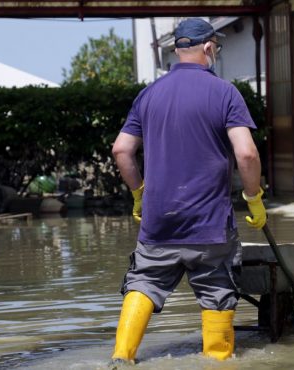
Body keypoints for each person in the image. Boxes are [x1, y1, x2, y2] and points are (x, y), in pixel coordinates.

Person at [110, 17, 266, 364]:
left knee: (144, 282)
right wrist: (253, 198)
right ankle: (217, 359)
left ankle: (121, 357)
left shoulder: (149, 94)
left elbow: (121, 150)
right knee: (216, 291)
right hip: (209, 226)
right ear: (209, 48)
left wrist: (139, 193)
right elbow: (246, 152)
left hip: (158, 222)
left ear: (176, 49)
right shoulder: (225, 93)